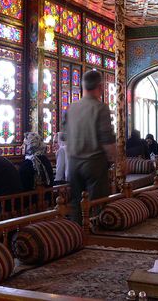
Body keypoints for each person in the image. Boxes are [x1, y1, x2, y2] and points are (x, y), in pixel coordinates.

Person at [64, 70, 116, 224]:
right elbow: (106, 138)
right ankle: (96, 240)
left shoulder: (72, 108)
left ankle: (76, 238)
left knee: (76, 204)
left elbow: (64, 136)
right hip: (94, 163)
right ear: (100, 87)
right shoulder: (100, 108)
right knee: (96, 206)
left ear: (82, 86)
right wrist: (118, 160)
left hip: (73, 163)